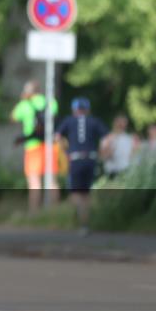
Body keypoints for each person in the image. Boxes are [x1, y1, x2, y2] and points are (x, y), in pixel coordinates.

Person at [55, 97, 109, 236]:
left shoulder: (69, 121)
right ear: (87, 110)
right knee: (86, 193)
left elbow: (58, 137)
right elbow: (106, 139)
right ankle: (84, 221)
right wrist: (102, 153)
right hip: (90, 158)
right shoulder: (94, 121)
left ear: (74, 110)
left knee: (76, 193)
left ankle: (80, 220)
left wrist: (65, 151)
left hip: (75, 159)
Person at [11, 79, 59, 213]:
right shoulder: (50, 101)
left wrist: (23, 99)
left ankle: (34, 213)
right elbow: (54, 115)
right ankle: (55, 212)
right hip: (50, 145)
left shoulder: (24, 104)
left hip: (32, 146)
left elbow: (13, 117)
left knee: (34, 181)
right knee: (51, 179)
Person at [101, 114, 139, 179]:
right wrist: (110, 149)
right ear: (114, 123)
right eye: (119, 122)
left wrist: (135, 149)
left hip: (126, 173)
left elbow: (132, 156)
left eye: (124, 123)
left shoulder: (129, 138)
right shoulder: (107, 138)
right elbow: (103, 157)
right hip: (112, 173)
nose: (121, 125)